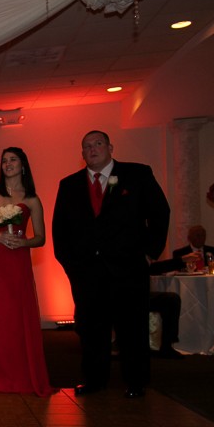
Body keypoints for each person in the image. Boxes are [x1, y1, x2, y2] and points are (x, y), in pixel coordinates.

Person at [52, 130, 170, 398]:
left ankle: (136, 381)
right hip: (88, 273)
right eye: (86, 147)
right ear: (82, 154)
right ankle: (94, 380)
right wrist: (73, 267)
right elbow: (61, 230)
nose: (92, 149)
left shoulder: (137, 175)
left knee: (132, 328)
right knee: (92, 329)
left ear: (110, 147)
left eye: (97, 144)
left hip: (129, 268)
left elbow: (160, 213)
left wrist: (150, 253)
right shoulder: (69, 185)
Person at [0, 148, 54, 396]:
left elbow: (40, 237)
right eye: (4, 160)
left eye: (13, 160)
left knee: (17, 318)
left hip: (17, 262)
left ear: (23, 165)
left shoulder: (31, 200)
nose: (8, 164)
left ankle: (20, 374)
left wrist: (23, 242)